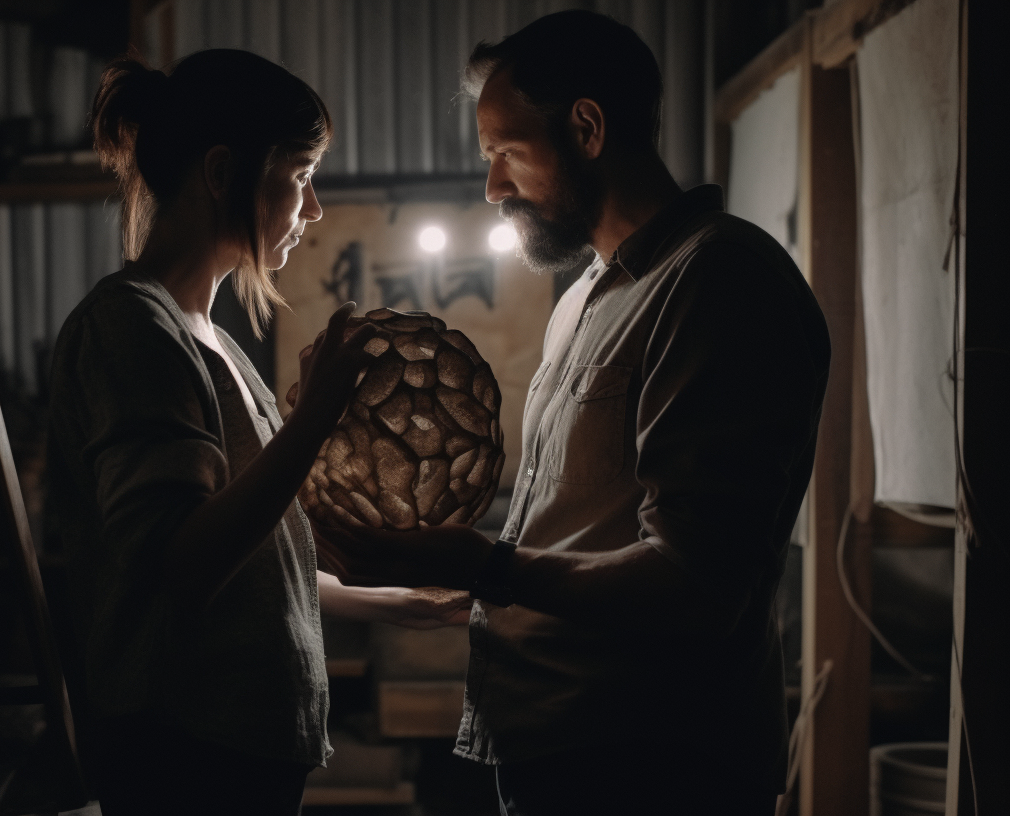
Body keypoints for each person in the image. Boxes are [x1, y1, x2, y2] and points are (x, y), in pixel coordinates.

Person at [315, 11, 831, 816]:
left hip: (653, 763)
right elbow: (576, 530)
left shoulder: (720, 282)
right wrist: (441, 574)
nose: (492, 187)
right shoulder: (586, 297)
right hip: (558, 746)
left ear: (587, 127)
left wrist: (484, 566)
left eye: (505, 154)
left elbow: (699, 583)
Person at [43, 49, 468, 816]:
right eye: (301, 175)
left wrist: (394, 601)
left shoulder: (215, 340)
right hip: (184, 751)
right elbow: (184, 566)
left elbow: (256, 560)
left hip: (241, 746)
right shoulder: (130, 329)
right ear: (220, 172)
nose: (313, 211)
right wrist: (312, 420)